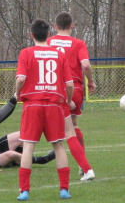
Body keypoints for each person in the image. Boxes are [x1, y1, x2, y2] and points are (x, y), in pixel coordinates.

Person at [15, 19, 75, 201]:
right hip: (54, 105)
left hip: (32, 104)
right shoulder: (59, 55)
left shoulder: (26, 53)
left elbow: (20, 79)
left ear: (31, 34)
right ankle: (64, 189)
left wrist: (18, 94)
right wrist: (69, 100)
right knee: (58, 146)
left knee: (28, 147)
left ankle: (24, 191)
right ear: (49, 35)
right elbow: (70, 84)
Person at [47, 12, 96, 180]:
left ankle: (86, 168)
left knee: (67, 132)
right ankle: (83, 167)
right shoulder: (78, 43)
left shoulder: (48, 42)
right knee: (73, 126)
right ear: (72, 25)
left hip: (54, 88)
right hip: (74, 88)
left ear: (55, 26)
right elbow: (86, 64)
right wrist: (90, 81)